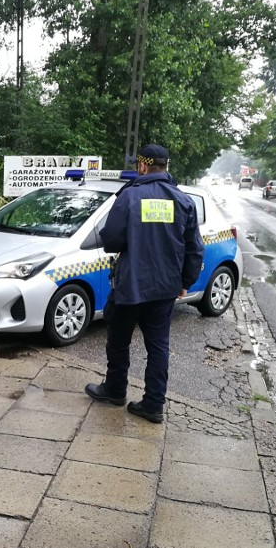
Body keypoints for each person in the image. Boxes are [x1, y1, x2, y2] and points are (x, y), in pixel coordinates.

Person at [85, 144, 204, 423]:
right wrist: (186, 281)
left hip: (131, 285)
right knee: (158, 346)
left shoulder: (129, 197)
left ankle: (115, 390)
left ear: (142, 166)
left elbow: (111, 240)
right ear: (166, 165)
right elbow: (194, 248)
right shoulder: (183, 201)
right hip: (165, 287)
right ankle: (153, 405)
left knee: (118, 340)